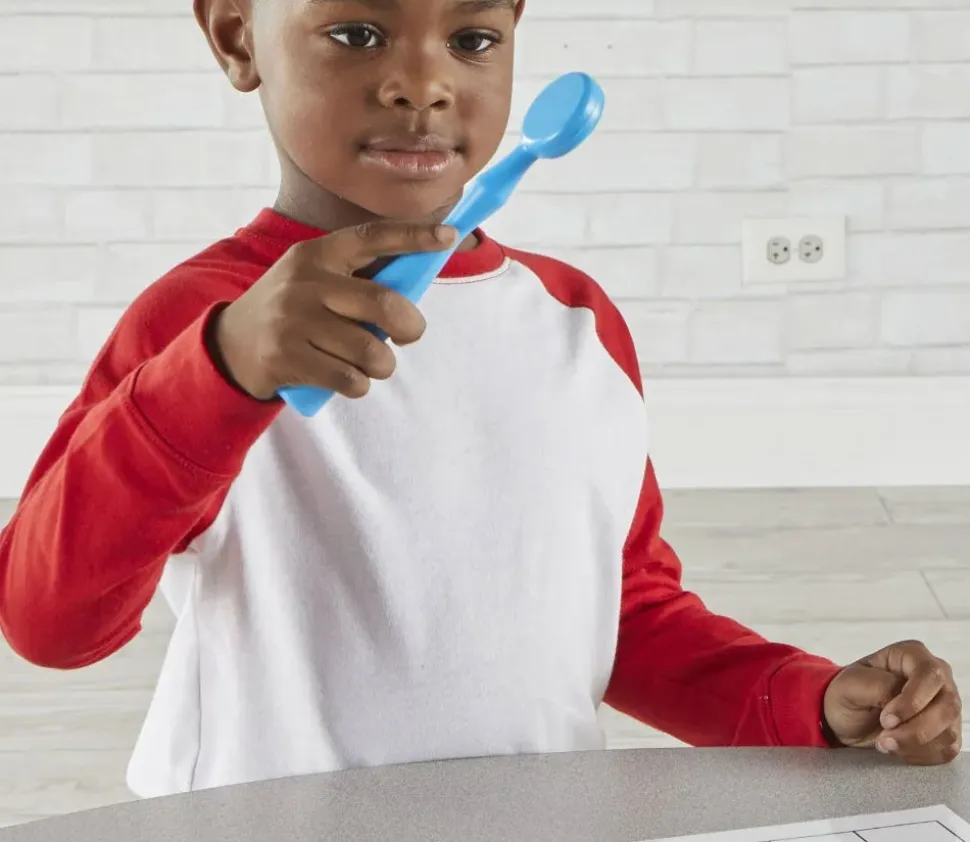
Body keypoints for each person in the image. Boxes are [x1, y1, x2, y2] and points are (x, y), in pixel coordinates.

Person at [0, 0, 961, 798]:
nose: (423, 83)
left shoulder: (575, 322)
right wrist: (218, 372)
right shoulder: (202, 323)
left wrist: (808, 702)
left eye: (471, 38)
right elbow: (51, 624)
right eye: (358, 32)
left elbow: (623, 616)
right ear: (236, 34)